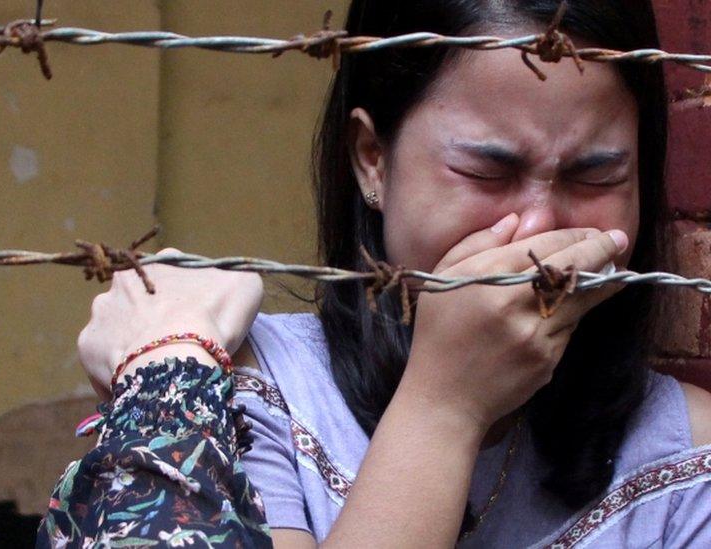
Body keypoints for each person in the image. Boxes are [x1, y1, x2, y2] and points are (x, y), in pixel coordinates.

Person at [37, 0, 711, 547]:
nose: (537, 231)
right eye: (488, 171)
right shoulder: (244, 387)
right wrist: (445, 405)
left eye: (596, 175)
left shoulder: (690, 455)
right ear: (371, 159)